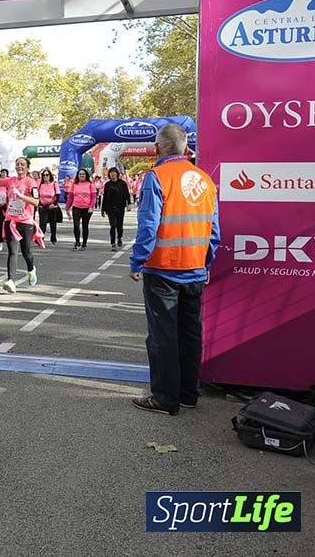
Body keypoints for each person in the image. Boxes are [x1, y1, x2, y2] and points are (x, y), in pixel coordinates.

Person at [130, 124, 220, 415]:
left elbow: (148, 226)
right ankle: (187, 393)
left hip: (163, 269)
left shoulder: (157, 176)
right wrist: (207, 263)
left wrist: (137, 261)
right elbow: (214, 231)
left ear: (158, 148)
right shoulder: (206, 180)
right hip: (194, 267)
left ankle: (165, 398)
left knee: (162, 335)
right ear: (185, 148)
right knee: (190, 332)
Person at [0, 159, 41, 294]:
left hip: (25, 221)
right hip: (10, 220)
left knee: (26, 252)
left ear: (27, 167)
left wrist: (20, 195)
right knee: (12, 252)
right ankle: (11, 281)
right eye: (17, 164)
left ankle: (31, 269)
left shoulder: (31, 182)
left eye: (22, 164)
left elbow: (36, 201)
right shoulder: (10, 180)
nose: (19, 166)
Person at [101, 167, 133, 252]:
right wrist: (103, 209)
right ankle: (113, 243)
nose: (112, 174)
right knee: (113, 225)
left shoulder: (122, 183)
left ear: (117, 174)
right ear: (109, 174)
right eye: (111, 173)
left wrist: (129, 204)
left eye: (114, 172)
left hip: (120, 206)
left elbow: (126, 194)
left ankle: (119, 237)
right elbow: (105, 197)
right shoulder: (107, 184)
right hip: (110, 207)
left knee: (119, 225)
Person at [66, 169, 96, 250]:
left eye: (83, 174)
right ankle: (77, 241)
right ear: (77, 175)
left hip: (87, 208)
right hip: (76, 207)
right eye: (80, 174)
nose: (82, 175)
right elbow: (70, 197)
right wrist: (67, 208)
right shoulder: (74, 184)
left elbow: (94, 197)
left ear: (86, 175)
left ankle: (84, 243)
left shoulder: (90, 184)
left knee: (85, 225)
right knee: (76, 225)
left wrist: (91, 206)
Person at [37, 169, 61, 246]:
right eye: (44, 175)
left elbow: (57, 195)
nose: (45, 177)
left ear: (50, 176)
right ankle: (41, 238)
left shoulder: (54, 184)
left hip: (52, 206)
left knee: (53, 223)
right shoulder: (40, 185)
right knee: (42, 223)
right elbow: (36, 195)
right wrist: (39, 203)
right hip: (42, 206)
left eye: (47, 175)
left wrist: (54, 204)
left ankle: (53, 238)